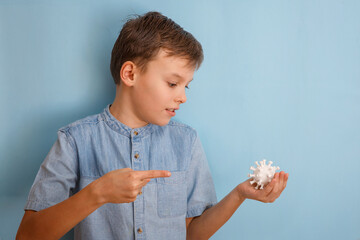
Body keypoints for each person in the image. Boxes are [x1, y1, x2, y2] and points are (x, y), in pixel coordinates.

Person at [16, 11, 289, 240]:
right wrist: (97, 194)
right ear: (130, 74)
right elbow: (27, 235)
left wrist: (240, 194)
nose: (182, 96)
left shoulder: (186, 142)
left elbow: (192, 233)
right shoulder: (75, 141)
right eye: (172, 83)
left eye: (186, 86)